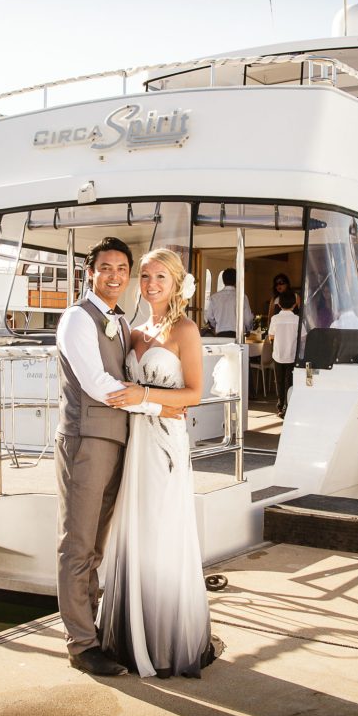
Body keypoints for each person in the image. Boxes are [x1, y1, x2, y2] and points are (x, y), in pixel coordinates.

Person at [54, 237, 183, 677]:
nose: (114, 276)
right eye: (105, 268)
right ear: (90, 273)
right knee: (77, 546)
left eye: (121, 269)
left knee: (96, 547)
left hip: (120, 442)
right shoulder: (77, 318)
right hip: (86, 440)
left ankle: (92, 634)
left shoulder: (122, 323)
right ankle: (81, 645)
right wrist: (157, 405)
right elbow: (96, 383)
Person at [99, 248, 221, 678]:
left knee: (161, 529)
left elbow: (194, 394)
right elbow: (122, 389)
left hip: (166, 446)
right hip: (135, 444)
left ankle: (165, 639)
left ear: (176, 284)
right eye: (146, 277)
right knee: (134, 531)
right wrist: (144, 403)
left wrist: (147, 399)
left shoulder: (185, 330)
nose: (151, 285)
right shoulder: (133, 333)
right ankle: (134, 633)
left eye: (160, 278)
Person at [268, 289, 297, 417]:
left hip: (278, 354)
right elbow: (303, 337)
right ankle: (289, 406)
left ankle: (280, 407)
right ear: (295, 304)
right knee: (290, 382)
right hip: (292, 354)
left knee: (279, 381)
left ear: (279, 305)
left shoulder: (275, 319)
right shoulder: (297, 319)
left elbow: (271, 336)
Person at [205, 267, 253, 337]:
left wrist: (215, 325)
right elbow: (248, 319)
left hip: (221, 334)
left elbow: (209, 316)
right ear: (236, 280)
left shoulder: (214, 297)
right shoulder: (242, 296)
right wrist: (248, 329)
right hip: (237, 335)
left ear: (223, 280)